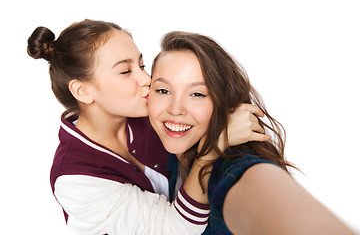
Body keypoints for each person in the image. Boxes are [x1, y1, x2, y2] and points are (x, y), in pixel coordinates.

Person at [27, 19, 268, 235]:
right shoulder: (75, 178)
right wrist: (214, 146)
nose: (146, 79)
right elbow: (176, 229)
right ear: (83, 90)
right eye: (125, 71)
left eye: (141, 66)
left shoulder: (148, 112)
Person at [148, 31, 355, 235]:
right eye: (163, 91)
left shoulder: (233, 166)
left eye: (197, 94)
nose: (176, 109)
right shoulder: (159, 153)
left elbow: (270, 201)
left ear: (222, 100)